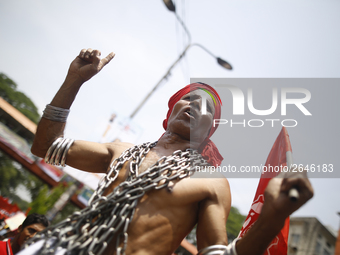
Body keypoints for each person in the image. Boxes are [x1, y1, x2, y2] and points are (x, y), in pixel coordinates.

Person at [28, 48, 313, 255]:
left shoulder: (210, 181)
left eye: (206, 109)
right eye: (189, 99)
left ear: (209, 132)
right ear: (172, 108)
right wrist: (74, 80)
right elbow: (45, 145)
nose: (194, 106)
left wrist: (272, 218)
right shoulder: (120, 151)